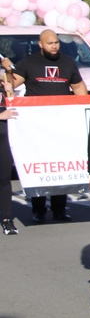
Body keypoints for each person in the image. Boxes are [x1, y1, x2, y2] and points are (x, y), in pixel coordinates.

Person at [3, 28, 87, 222]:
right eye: (50, 43)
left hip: (62, 122)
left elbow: (79, 88)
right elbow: (12, 85)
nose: (54, 46)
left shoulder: (67, 62)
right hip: (37, 124)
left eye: (56, 42)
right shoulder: (29, 62)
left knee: (61, 164)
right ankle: (38, 209)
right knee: (40, 161)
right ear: (41, 44)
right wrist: (8, 70)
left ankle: (59, 209)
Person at [0, 69, 18, 236]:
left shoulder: (3, 85)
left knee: (4, 179)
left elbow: (14, 108)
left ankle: (6, 219)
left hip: (3, 138)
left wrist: (10, 93)